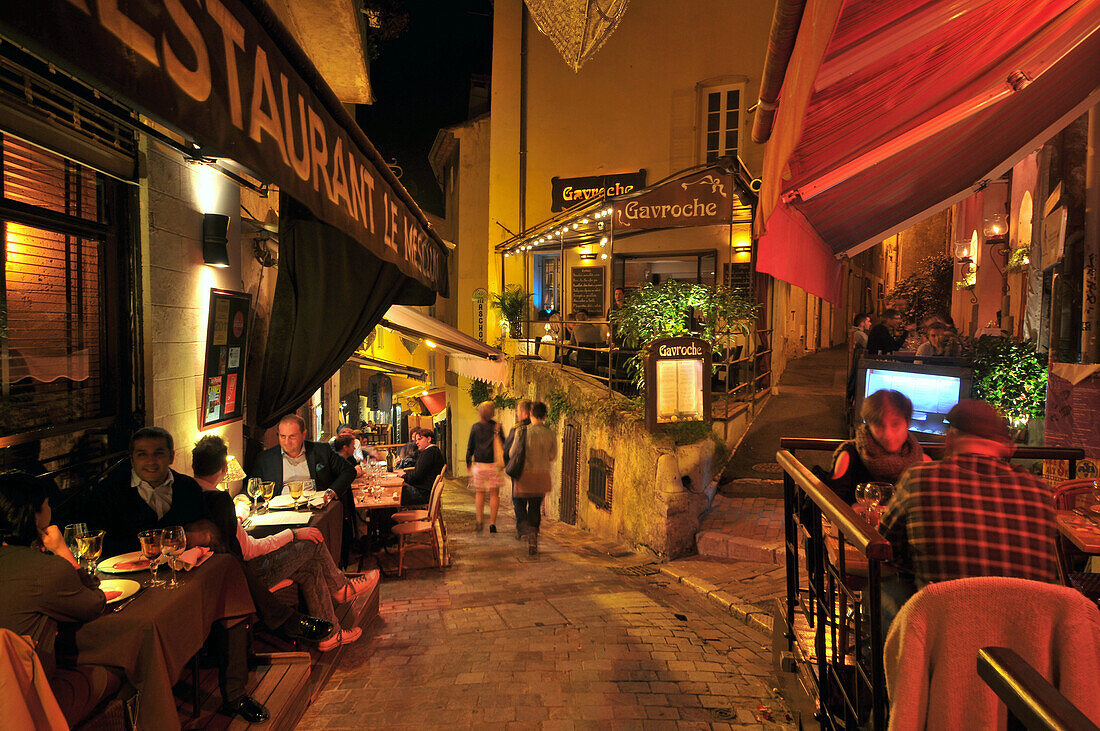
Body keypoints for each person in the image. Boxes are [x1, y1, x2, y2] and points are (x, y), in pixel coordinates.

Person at [877, 399, 1062, 629]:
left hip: (946, 633)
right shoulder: (1040, 491)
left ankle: (883, 663)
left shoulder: (920, 478)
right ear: (1002, 445)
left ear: (951, 438)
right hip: (1025, 639)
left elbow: (884, 549)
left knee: (884, 588)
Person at [192, 437, 376, 653]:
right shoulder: (219, 501)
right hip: (245, 578)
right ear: (224, 468)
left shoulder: (190, 495)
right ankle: (341, 587)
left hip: (217, 576)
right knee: (311, 543)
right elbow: (249, 551)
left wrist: (240, 514)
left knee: (311, 568)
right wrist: (293, 534)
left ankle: (329, 634)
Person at [0, 471, 119, 727]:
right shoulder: (46, 569)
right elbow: (94, 603)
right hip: (29, 706)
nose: (50, 508)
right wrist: (61, 550)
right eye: (47, 504)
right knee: (117, 673)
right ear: (34, 514)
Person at [81, 426, 211, 558]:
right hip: (126, 572)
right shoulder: (107, 491)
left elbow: (203, 534)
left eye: (158, 453)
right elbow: (101, 545)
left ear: (171, 457)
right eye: (142, 454)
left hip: (182, 570)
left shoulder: (188, 488)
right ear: (132, 460)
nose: (151, 461)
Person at [828, 389, 927, 504]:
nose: (888, 434)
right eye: (879, 425)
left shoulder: (921, 462)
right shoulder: (849, 457)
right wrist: (852, 510)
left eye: (895, 424)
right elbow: (830, 508)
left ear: (908, 422)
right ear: (869, 425)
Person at [250, 415, 356, 500]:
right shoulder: (265, 458)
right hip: (280, 511)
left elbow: (349, 471)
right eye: (282, 436)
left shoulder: (321, 450)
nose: (287, 442)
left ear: (303, 434)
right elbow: (252, 486)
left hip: (315, 508)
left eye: (292, 436)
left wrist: (330, 492)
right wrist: (241, 499)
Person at [510, 401, 557, 555]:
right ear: (544, 416)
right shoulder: (550, 433)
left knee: (520, 502)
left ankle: (523, 529)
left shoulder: (522, 432)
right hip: (542, 475)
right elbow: (553, 455)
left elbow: (512, 453)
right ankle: (533, 535)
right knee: (535, 507)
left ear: (530, 414)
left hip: (525, 474)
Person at [466, 401, 504, 534]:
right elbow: (503, 445)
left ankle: (479, 520)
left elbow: (470, 446)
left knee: (479, 493)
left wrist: (468, 462)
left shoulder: (475, 427)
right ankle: (492, 523)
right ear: (492, 413)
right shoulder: (497, 427)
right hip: (494, 465)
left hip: (480, 466)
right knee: (494, 494)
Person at [395, 428, 444, 506]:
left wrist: (404, 475)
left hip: (423, 494)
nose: (416, 442)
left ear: (429, 439)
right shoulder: (434, 451)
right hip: (426, 491)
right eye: (416, 440)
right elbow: (419, 472)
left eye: (419, 439)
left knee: (393, 494)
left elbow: (417, 476)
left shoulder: (429, 453)